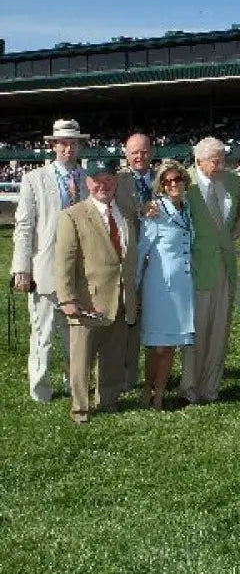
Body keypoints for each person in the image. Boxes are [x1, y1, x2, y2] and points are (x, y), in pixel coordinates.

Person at [53, 159, 138, 423]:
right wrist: (67, 298)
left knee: (113, 354)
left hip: (121, 298)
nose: (103, 184)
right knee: (81, 359)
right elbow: (64, 260)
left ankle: (109, 399)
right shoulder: (73, 215)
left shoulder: (125, 213)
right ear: (87, 182)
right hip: (88, 299)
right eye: (96, 179)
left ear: (116, 181)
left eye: (108, 178)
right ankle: (80, 408)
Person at [11, 118, 88, 403]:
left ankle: (73, 383)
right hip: (44, 269)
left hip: (78, 270)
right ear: (53, 146)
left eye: (74, 143)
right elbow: (24, 226)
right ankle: (40, 389)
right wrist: (21, 268)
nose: (69, 148)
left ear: (79, 146)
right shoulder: (34, 179)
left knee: (75, 334)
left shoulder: (86, 179)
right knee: (42, 334)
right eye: (64, 143)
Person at [182, 136, 240, 405]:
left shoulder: (232, 182)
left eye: (222, 159)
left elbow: (231, 227)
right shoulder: (184, 183)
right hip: (197, 269)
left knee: (220, 331)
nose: (220, 164)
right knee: (197, 331)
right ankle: (190, 387)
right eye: (213, 160)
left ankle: (211, 386)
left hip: (225, 269)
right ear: (199, 160)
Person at [135, 160, 194, 411]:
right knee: (156, 345)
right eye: (167, 181)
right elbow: (141, 252)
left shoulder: (187, 208)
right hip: (159, 287)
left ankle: (158, 396)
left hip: (183, 286)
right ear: (161, 185)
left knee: (170, 346)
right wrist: (135, 287)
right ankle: (146, 390)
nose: (173, 185)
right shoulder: (155, 210)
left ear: (184, 182)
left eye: (177, 180)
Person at [116, 131, 154, 394]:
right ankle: (127, 377)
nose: (139, 156)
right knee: (129, 319)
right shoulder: (117, 182)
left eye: (143, 151)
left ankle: (155, 373)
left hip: (161, 264)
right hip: (129, 262)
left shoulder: (166, 179)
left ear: (151, 152)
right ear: (126, 154)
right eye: (134, 152)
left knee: (156, 318)